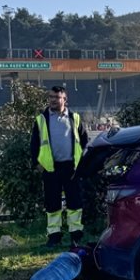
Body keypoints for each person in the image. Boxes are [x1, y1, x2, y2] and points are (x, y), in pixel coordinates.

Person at [30, 86, 90, 246]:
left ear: (64, 99)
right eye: (50, 97)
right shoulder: (41, 119)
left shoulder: (74, 118)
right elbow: (34, 144)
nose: (52, 100)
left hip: (71, 167)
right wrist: (37, 164)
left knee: (75, 202)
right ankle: (54, 236)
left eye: (56, 97)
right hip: (50, 168)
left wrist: (82, 163)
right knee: (52, 203)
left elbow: (84, 141)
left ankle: (75, 235)